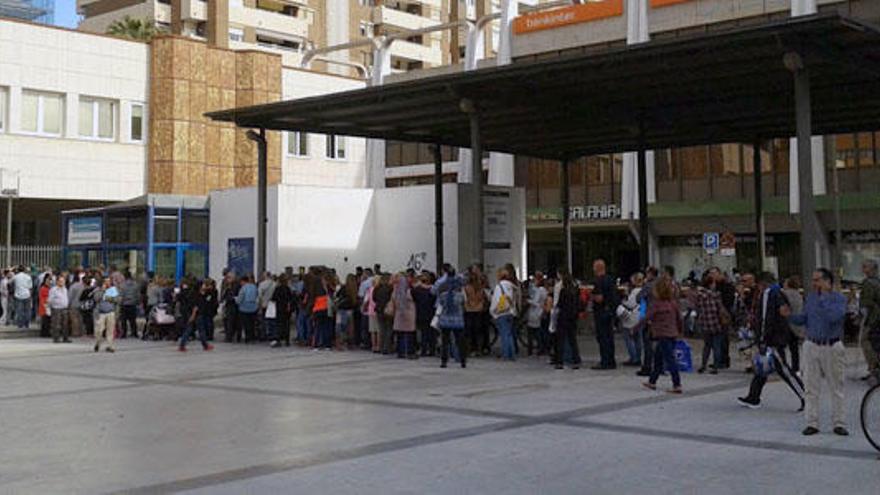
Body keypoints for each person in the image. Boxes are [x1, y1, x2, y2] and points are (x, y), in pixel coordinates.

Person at [782, 268, 849, 436]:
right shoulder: (810, 298)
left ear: (827, 281)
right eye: (813, 280)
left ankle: (839, 422)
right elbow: (804, 318)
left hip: (831, 345)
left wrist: (825, 298)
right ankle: (812, 422)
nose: (814, 284)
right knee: (811, 387)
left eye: (818, 280)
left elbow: (834, 318)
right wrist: (789, 316)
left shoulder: (839, 299)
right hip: (811, 344)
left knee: (836, 387)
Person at [737, 272, 802, 411]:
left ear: (761, 283)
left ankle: (804, 396)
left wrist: (761, 338)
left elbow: (765, 318)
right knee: (762, 368)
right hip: (777, 336)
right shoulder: (779, 292)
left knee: (783, 369)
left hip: (772, 339)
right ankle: (753, 396)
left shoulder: (768, 293)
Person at [641, 275, 683, 394]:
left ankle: (677, 384)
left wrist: (635, 327)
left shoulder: (656, 304)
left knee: (670, 359)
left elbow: (647, 317)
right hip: (672, 334)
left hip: (662, 334)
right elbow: (679, 319)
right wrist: (680, 331)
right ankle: (652, 381)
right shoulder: (673, 303)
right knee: (658, 358)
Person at [693, 271, 729, 374]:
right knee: (717, 345)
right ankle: (715, 367)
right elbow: (719, 308)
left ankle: (703, 365)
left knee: (707, 345)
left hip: (704, 322)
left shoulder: (699, 295)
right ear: (711, 284)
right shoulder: (715, 295)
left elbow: (697, 307)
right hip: (715, 322)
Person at [591, 258, 619, 370]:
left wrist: (591, 296)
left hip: (601, 312)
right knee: (609, 337)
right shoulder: (610, 279)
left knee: (602, 337)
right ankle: (611, 360)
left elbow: (599, 298)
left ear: (597, 268)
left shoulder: (598, 281)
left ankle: (605, 361)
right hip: (610, 312)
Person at [553, 269, 582, 370]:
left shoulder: (562, 290)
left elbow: (558, 303)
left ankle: (559, 361)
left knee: (560, 339)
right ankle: (576, 360)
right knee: (572, 339)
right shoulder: (575, 288)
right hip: (573, 316)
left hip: (563, 316)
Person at [437, 274, 467, 369]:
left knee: (445, 342)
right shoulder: (460, 296)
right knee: (460, 341)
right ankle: (462, 360)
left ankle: (444, 361)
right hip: (458, 321)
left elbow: (440, 304)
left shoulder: (443, 295)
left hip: (445, 320)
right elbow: (463, 304)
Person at [179, 279, 216, 352]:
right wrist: (193, 315)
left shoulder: (197, 293)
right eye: (203, 285)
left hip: (196, 314)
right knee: (199, 330)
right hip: (196, 314)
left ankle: (182, 345)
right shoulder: (196, 295)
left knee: (190, 329)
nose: (205, 286)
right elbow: (195, 307)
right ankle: (205, 345)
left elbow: (209, 294)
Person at [490, 268, 518, 361]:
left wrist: (493, 311)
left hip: (501, 313)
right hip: (510, 311)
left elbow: (497, 300)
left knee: (504, 334)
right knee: (509, 334)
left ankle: (505, 354)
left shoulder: (499, 286)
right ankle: (512, 354)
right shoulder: (512, 287)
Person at [859, 260, 880, 381]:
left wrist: (862, 316)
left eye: (865, 267)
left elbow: (866, 303)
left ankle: (873, 368)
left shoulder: (868, 283)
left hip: (872, 319)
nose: (863, 269)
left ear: (871, 269)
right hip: (877, 318)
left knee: (865, 340)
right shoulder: (878, 281)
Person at [619, 272, 644, 367]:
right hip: (640, 315)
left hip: (632, 317)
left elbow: (630, 304)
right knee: (638, 338)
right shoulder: (644, 290)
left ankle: (634, 357)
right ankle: (638, 356)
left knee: (628, 337)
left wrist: (623, 299)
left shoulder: (635, 292)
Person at [782, 276, 805, 374]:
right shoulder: (799, 295)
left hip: (786, 323)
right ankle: (796, 367)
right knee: (794, 348)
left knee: (781, 345)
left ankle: (782, 364)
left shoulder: (784, 294)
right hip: (796, 324)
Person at [392, 273, 417, 359]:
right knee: (409, 333)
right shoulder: (409, 291)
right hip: (409, 314)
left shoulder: (396, 290)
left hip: (399, 313)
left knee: (400, 334)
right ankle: (410, 352)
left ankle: (400, 352)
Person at [412, 274, 437, 357]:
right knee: (432, 333)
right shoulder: (433, 290)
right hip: (431, 313)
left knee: (423, 333)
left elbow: (413, 296)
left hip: (421, 313)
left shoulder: (417, 290)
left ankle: (423, 350)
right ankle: (432, 349)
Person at [464, 269, 487, 357]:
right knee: (478, 331)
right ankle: (478, 349)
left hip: (469, 310)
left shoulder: (467, 287)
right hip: (478, 310)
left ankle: (470, 349)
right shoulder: (480, 287)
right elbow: (482, 299)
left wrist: (467, 306)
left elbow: (465, 299)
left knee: (469, 332)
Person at [92, 278, 119, 353]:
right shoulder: (98, 290)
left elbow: (117, 300)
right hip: (101, 313)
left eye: (109, 281)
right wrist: (103, 291)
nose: (107, 283)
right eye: (106, 281)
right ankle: (98, 343)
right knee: (99, 330)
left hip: (110, 312)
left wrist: (108, 297)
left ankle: (110, 345)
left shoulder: (113, 290)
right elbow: (96, 299)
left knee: (110, 330)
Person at [526, 271, 548, 357]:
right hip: (539, 312)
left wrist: (528, 301)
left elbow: (536, 301)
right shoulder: (544, 289)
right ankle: (541, 348)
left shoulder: (540, 290)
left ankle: (534, 349)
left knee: (533, 332)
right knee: (539, 332)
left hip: (536, 312)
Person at [333, 274, 358, 350]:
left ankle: (339, 344)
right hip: (350, 310)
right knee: (350, 328)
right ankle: (350, 344)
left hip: (341, 310)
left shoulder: (344, 287)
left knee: (340, 327)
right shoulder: (355, 289)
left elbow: (337, 296)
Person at [270, 274, 294, 347]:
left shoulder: (278, 288)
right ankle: (287, 340)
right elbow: (291, 298)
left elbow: (273, 298)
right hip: (287, 309)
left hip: (279, 308)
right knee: (286, 324)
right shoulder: (288, 288)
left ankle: (278, 339)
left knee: (279, 324)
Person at [372, 273, 394, 354]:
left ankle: (381, 347)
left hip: (379, 310)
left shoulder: (377, 288)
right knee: (389, 329)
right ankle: (386, 347)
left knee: (381, 329)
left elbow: (374, 298)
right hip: (388, 310)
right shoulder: (390, 288)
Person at [235, 275, 259, 344]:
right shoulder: (254, 287)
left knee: (246, 324)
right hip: (253, 308)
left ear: (243, 281)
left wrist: (236, 300)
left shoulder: (243, 288)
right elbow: (257, 296)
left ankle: (247, 338)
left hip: (244, 308)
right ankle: (252, 338)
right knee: (252, 324)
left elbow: (240, 298)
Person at [47, 276, 71, 343]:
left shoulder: (65, 289)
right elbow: (50, 299)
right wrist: (49, 307)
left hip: (64, 308)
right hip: (56, 309)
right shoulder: (53, 290)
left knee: (65, 324)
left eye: (63, 281)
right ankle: (56, 338)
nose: (62, 282)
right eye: (60, 281)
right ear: (57, 282)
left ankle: (65, 338)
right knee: (56, 324)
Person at [119, 271, 140, 339]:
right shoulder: (135, 284)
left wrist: (120, 302)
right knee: (133, 320)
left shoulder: (122, 285)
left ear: (125, 277)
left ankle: (124, 333)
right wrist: (137, 302)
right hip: (132, 304)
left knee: (124, 320)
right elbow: (137, 295)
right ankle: (134, 333)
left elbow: (121, 295)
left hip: (124, 304)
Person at [67, 273, 85, 338]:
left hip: (73, 304)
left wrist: (68, 304)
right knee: (80, 319)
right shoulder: (82, 286)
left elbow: (70, 296)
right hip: (81, 305)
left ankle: (75, 332)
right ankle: (81, 332)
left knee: (74, 319)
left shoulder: (73, 286)